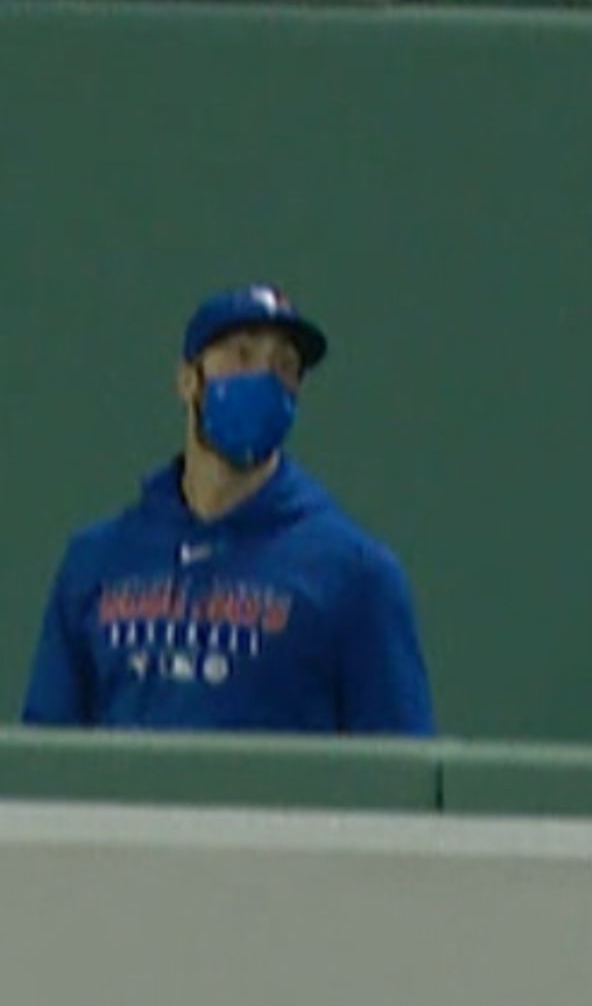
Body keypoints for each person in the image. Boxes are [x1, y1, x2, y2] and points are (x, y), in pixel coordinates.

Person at [19, 285, 434, 736]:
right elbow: (49, 757)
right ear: (188, 380)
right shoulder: (97, 561)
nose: (265, 377)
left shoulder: (354, 575)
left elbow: (401, 775)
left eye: (285, 367)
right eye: (241, 355)